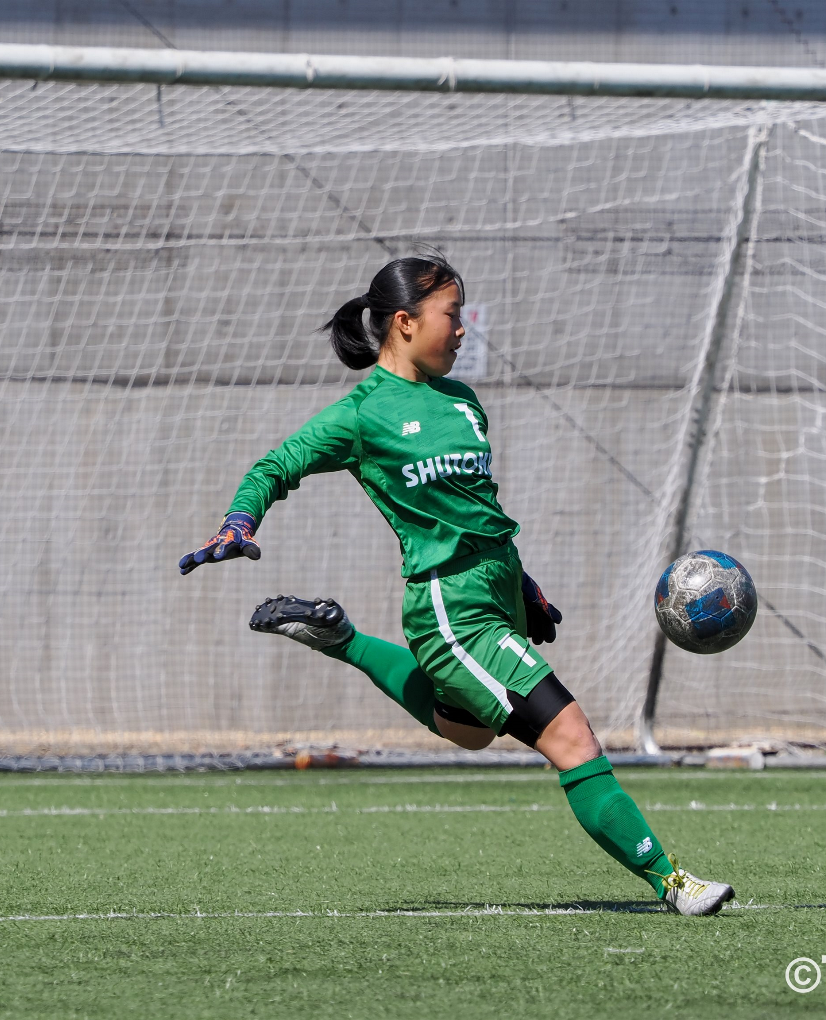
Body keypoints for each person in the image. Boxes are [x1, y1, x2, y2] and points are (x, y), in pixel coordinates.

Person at [179, 253, 734, 915]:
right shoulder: (363, 414)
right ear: (406, 323)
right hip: (452, 609)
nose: (465, 329)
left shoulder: (465, 404)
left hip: (495, 591)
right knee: (572, 737)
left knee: (466, 731)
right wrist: (238, 520)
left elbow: (476, 512)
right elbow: (278, 464)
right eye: (453, 315)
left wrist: (524, 587)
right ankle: (673, 883)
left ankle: (344, 639)